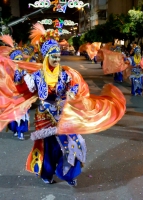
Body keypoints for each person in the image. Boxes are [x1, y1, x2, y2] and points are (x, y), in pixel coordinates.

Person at [21, 23, 126, 186]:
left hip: (63, 113)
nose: (56, 59)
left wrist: (72, 93)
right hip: (45, 116)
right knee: (50, 148)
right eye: (53, 56)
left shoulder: (65, 74)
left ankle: (69, 174)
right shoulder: (35, 76)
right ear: (46, 56)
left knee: (73, 143)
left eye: (58, 56)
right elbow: (27, 92)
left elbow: (75, 87)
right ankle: (46, 173)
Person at [0, 35, 29, 140]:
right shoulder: (8, 71)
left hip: (23, 95)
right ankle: (16, 130)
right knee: (14, 114)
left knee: (22, 114)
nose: (19, 61)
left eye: (20, 59)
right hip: (13, 96)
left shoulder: (25, 69)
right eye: (17, 59)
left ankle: (20, 131)